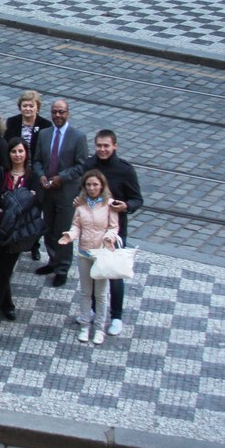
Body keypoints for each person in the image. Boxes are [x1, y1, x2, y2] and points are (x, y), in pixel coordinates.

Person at [76, 130, 142, 336]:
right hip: (90, 231)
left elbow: (137, 199)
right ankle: (95, 310)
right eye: (99, 146)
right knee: (93, 273)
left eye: (106, 146)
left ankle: (116, 316)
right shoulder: (89, 165)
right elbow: (83, 192)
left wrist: (126, 206)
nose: (102, 150)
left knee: (113, 273)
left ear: (115, 146)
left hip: (115, 230)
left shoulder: (124, 170)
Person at [33, 99, 91, 286]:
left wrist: (61, 177)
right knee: (48, 228)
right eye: (54, 112)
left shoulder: (78, 137)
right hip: (47, 190)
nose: (57, 115)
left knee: (64, 229)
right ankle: (52, 260)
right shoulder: (44, 134)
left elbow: (81, 165)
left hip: (66, 191)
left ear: (68, 113)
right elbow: (37, 161)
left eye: (61, 112)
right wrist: (41, 176)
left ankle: (62, 267)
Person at [58, 169, 119, 345]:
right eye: (89, 185)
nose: (92, 188)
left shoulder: (109, 205)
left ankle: (99, 328)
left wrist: (109, 237)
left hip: (101, 254)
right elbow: (76, 225)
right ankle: (85, 325)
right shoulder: (81, 204)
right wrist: (70, 235)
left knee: (100, 294)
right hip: (85, 253)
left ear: (102, 186)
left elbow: (114, 227)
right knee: (85, 292)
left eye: (95, 185)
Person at [0, 138, 33, 329]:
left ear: (25, 153)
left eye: (21, 151)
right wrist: (19, 200)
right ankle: (7, 304)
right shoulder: (0, 172)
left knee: (4, 271)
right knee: (2, 268)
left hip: (18, 232)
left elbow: (35, 201)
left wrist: (9, 201)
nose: (17, 155)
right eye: (14, 152)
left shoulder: (31, 176)